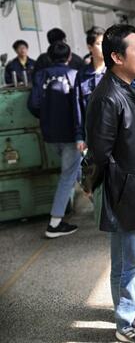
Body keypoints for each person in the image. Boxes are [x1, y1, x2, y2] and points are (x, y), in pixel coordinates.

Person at [85, 24, 135, 343]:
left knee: (133, 255)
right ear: (117, 57)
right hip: (124, 191)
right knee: (127, 260)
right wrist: (90, 185)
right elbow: (98, 153)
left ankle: (134, 301)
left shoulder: (128, 87)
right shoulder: (107, 98)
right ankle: (127, 322)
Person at [28, 42, 81, 238]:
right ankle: (55, 223)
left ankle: (99, 203)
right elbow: (80, 106)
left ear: (49, 57)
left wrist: (47, 117)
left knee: (75, 169)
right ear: (69, 57)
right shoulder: (74, 74)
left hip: (49, 134)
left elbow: (33, 104)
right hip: (71, 134)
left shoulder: (40, 75)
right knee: (68, 175)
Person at [73, 28, 106, 150]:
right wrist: (80, 136)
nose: (104, 47)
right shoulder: (82, 75)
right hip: (94, 136)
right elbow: (78, 107)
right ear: (90, 47)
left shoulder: (116, 72)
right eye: (99, 44)